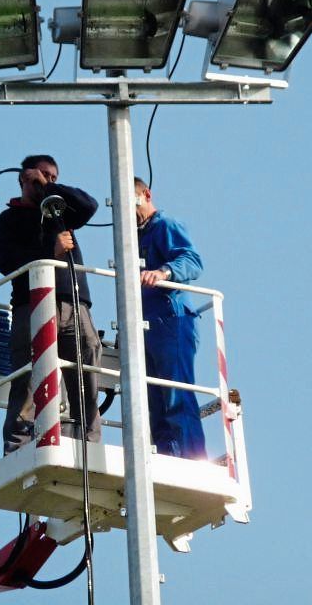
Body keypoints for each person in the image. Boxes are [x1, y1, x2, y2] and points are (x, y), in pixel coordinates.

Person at [0, 155, 102, 454]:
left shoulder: (59, 211)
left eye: (53, 177)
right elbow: (5, 261)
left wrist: (50, 189)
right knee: (28, 377)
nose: (48, 181)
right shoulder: (8, 220)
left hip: (74, 304)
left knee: (86, 365)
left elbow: (89, 206)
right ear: (23, 178)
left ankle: (89, 442)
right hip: (32, 306)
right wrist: (48, 252)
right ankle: (18, 447)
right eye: (42, 176)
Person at [134, 177, 207, 459]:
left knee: (177, 396)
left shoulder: (165, 226)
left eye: (131, 202)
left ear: (146, 195)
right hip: (146, 326)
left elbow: (191, 260)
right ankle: (167, 459)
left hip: (171, 319)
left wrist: (163, 272)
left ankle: (192, 458)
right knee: (154, 403)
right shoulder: (133, 239)